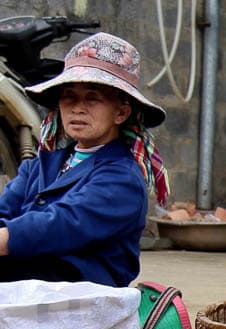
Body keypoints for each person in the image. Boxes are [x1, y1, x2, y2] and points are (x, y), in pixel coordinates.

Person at [0, 32, 168, 287]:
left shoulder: (122, 179)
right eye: (69, 96)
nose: (78, 108)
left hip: (79, 296)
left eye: (93, 98)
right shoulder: (41, 165)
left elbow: (62, 224)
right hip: (27, 280)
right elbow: (6, 209)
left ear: (121, 112)